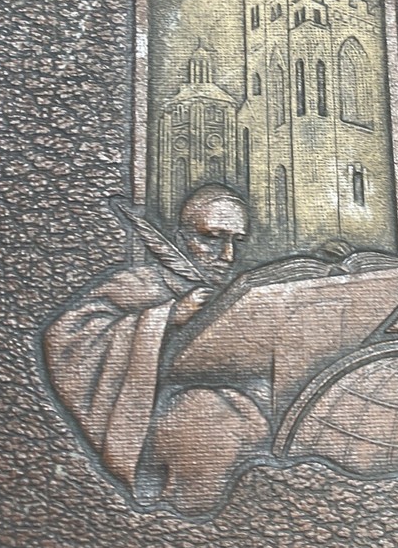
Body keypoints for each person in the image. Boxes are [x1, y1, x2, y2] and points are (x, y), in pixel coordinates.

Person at [41, 185, 271, 516]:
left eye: (237, 241)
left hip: (244, 424)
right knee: (208, 419)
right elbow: (66, 338)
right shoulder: (140, 284)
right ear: (181, 238)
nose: (228, 256)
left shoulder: (238, 295)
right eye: (212, 238)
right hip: (174, 430)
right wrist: (168, 316)